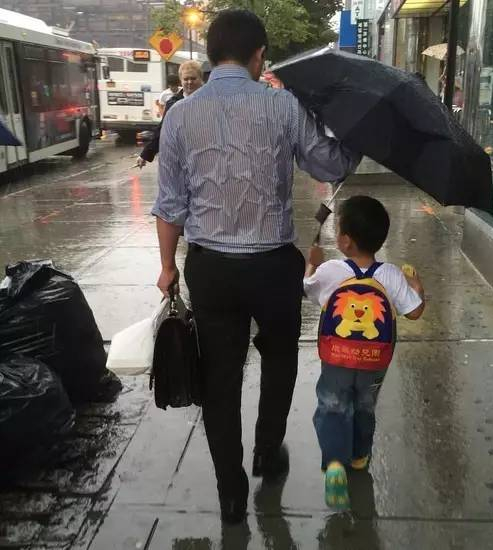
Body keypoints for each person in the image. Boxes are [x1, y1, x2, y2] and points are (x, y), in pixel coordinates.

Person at [152, 9, 361, 524]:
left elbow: (170, 205)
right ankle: (267, 450)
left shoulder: (178, 115)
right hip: (273, 268)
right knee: (280, 358)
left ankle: (230, 493)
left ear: (210, 54)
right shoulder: (283, 106)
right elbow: (330, 164)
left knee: (219, 377)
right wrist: (352, 132)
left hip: (211, 270)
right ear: (258, 55)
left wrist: (166, 266)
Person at [303, 196, 425, 509]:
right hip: (374, 362)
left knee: (333, 404)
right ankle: (358, 456)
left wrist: (312, 263)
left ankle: (334, 462)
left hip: (337, 358)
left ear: (345, 241)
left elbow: (307, 288)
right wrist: (416, 286)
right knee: (364, 405)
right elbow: (414, 312)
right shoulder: (391, 275)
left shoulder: (330, 270)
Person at [137, 61, 203, 168]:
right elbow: (163, 130)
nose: (189, 82)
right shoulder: (173, 103)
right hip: (180, 160)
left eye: (193, 78)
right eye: (186, 79)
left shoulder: (212, 100)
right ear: (181, 81)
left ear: (200, 78)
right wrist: (145, 154)